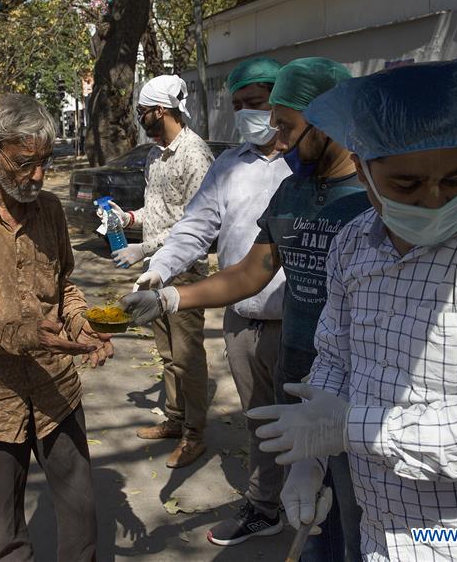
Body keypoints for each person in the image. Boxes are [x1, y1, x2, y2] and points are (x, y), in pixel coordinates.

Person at [248, 58, 457, 562]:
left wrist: (347, 428)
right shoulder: (354, 243)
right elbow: (335, 358)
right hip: (387, 530)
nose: (435, 199)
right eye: (407, 185)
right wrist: (309, 457)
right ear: (362, 167)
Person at [121, 57, 366, 561]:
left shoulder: (371, 194)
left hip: (348, 367)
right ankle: (268, 507)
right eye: (257, 113)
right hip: (285, 348)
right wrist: (166, 287)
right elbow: (248, 270)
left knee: (353, 496)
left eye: (279, 119)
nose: (271, 130)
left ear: (324, 118)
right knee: (290, 460)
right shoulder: (289, 188)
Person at [0, 93, 113, 561]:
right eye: (25, 163)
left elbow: (64, 284)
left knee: (81, 515)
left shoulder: (48, 208)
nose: (37, 176)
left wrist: (80, 323)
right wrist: (27, 335)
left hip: (56, 390)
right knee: (7, 533)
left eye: (45, 162)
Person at [137, 57, 290, 545]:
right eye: (239, 104)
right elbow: (196, 227)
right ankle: (266, 506)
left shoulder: (305, 164)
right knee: (260, 419)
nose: (248, 114)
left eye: (258, 103)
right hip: (243, 319)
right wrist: (157, 270)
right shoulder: (228, 166)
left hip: (302, 322)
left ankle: (323, 514)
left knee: (310, 426)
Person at [104, 74, 214, 468]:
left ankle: (195, 434)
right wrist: (128, 218)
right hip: (155, 270)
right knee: (167, 354)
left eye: (142, 112)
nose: (139, 119)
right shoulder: (155, 154)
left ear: (160, 111)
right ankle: (175, 418)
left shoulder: (195, 154)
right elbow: (159, 211)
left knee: (187, 357)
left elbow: (196, 221)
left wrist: (144, 247)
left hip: (183, 272)